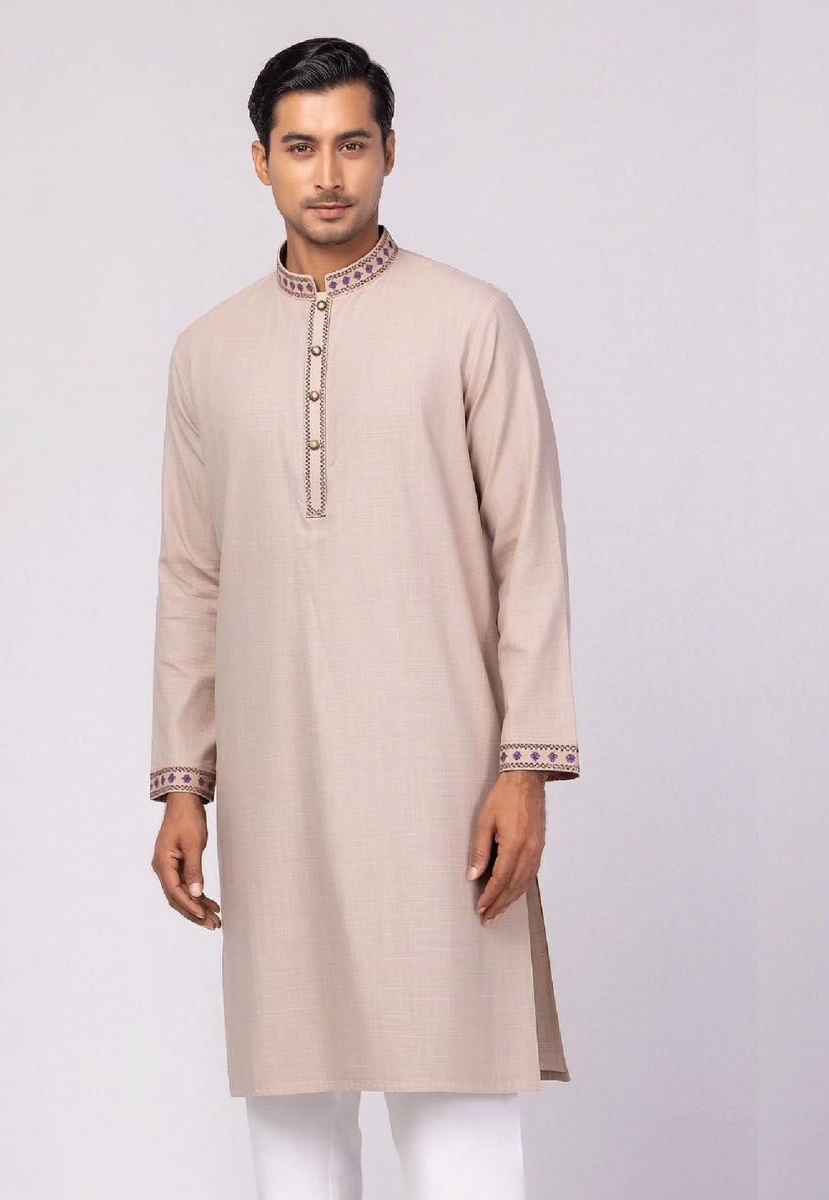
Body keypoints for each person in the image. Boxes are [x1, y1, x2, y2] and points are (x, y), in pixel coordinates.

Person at [149, 36, 581, 1200]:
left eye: (351, 144)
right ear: (260, 161)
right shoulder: (207, 352)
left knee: (457, 1114)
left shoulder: (471, 321)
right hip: (278, 785)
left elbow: (530, 554)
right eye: (301, 147)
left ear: (390, 151)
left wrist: (525, 769)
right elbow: (193, 576)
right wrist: (185, 782)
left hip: (444, 782)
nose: (328, 174)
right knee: (293, 1122)